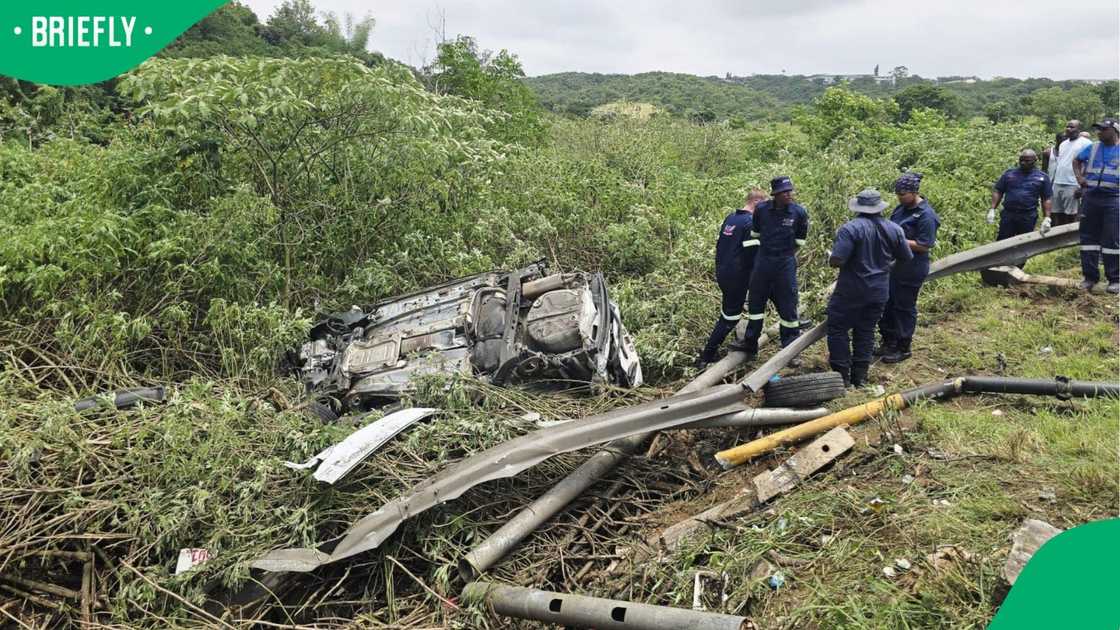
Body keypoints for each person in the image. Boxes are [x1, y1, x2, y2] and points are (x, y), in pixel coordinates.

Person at [826, 189, 912, 388]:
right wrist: (884, 269)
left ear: (859, 208)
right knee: (866, 331)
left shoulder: (850, 229)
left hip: (851, 290)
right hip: (879, 290)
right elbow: (906, 258)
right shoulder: (894, 229)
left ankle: (842, 377)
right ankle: (861, 377)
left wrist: (831, 258)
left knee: (838, 329)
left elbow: (838, 260)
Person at [740, 176, 809, 361]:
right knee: (756, 304)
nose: (788, 195)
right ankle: (750, 344)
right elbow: (756, 234)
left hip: (785, 263)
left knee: (788, 306)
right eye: (784, 192)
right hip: (763, 261)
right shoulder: (761, 210)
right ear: (775, 194)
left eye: (790, 191)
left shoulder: (799, 213)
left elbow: (799, 242)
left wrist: (784, 255)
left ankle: (790, 349)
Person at [697, 189, 767, 367]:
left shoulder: (731, 218)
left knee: (728, 314)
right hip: (737, 276)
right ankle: (706, 357)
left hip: (723, 272)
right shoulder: (750, 223)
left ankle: (709, 354)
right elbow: (752, 254)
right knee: (730, 317)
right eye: (764, 205)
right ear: (757, 202)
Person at [876, 172, 940, 364]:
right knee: (888, 304)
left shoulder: (926, 215)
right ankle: (889, 342)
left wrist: (897, 240)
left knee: (904, 307)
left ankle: (903, 347)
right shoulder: (901, 209)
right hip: (894, 266)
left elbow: (924, 244)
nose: (899, 197)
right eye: (897, 194)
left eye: (903, 194)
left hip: (912, 267)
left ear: (914, 192)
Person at [1073, 118, 1120, 294]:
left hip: (1114, 199)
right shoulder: (1092, 147)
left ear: (1114, 131)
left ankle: (1115, 279)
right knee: (1088, 239)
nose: (1099, 132)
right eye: (1098, 129)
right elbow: (1076, 161)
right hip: (1091, 197)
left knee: (1111, 240)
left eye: (1103, 130)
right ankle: (1090, 277)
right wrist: (1080, 179)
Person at [987, 149, 1053, 245]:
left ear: (1035, 161)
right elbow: (998, 191)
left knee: (1024, 243)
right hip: (1009, 214)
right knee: (1003, 242)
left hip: (1028, 216)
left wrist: (1047, 218)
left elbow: (1046, 198)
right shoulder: (1009, 174)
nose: (1023, 163)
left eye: (1027, 161)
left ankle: (1020, 260)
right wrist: (992, 209)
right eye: (1021, 160)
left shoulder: (1042, 177)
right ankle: (1003, 260)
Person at [1050, 120, 1093, 227]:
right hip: (1058, 182)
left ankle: (1070, 239)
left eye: (1072, 127)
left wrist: (1082, 186)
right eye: (1067, 126)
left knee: (1071, 214)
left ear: (1079, 129)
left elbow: (1090, 165)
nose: (1068, 129)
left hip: (1073, 183)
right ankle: (1058, 238)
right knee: (1056, 212)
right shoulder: (1063, 144)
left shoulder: (1086, 143)